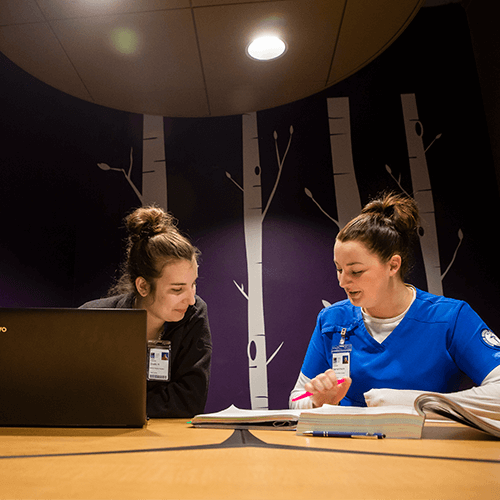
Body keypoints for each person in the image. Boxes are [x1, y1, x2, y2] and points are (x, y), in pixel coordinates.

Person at [290, 192, 500, 417]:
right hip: (347, 448)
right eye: (339, 269)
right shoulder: (331, 321)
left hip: (425, 447)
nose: (342, 281)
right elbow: (297, 398)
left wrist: (412, 403)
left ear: (393, 265)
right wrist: (317, 401)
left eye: (356, 271)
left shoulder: (451, 318)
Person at [80, 205, 212, 418]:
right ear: (143, 286)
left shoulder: (194, 313)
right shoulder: (91, 318)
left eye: (193, 284)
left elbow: (189, 400)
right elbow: (76, 396)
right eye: (177, 289)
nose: (190, 299)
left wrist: (115, 406)